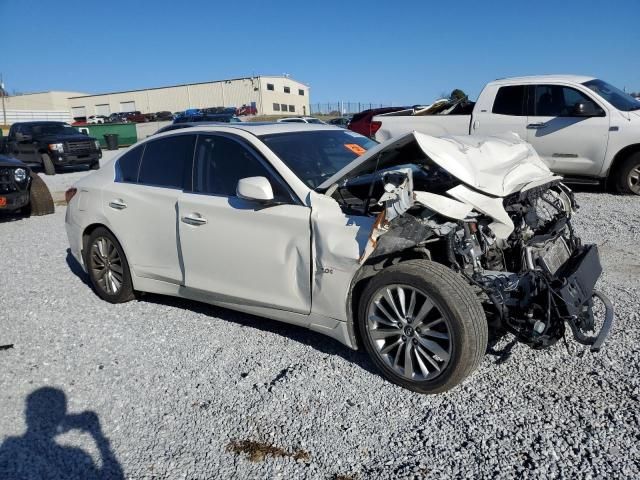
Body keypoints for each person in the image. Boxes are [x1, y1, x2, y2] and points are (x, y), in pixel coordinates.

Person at [0, 387, 124, 479]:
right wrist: (97, 434)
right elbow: (115, 475)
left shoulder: (8, 447)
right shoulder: (79, 454)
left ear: (27, 414)